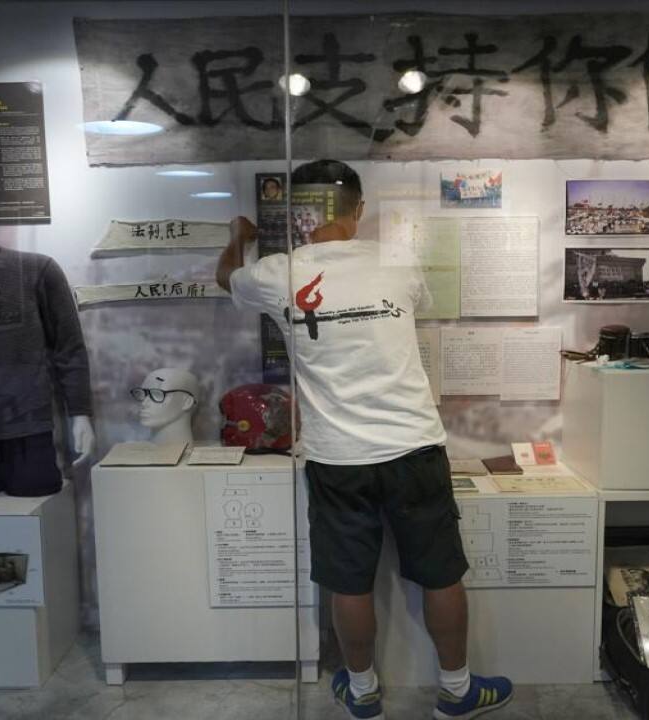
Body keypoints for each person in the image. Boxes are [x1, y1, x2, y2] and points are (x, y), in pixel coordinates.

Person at [216, 159, 513, 720]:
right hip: (414, 447)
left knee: (347, 582)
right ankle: (456, 690)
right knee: (440, 572)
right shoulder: (397, 263)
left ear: (299, 216)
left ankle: (363, 691)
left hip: (337, 457)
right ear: (358, 210)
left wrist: (239, 240)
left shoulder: (277, 272)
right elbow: (415, 304)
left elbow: (224, 277)